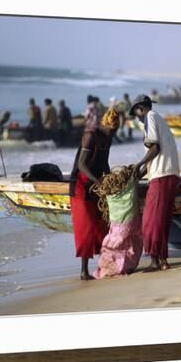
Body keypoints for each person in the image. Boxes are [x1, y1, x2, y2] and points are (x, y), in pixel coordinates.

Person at [129, 94, 180, 272]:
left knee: (150, 220)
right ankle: (162, 260)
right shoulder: (159, 119)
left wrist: (139, 164)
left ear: (141, 108)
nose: (137, 117)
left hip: (162, 176)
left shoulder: (150, 117)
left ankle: (155, 261)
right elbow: (157, 153)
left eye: (136, 113)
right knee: (162, 219)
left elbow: (155, 148)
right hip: (170, 173)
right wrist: (141, 172)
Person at [69, 108, 120, 280]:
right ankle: (83, 271)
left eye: (115, 131)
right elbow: (82, 164)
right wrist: (97, 181)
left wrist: (110, 180)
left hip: (96, 186)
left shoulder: (108, 138)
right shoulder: (90, 136)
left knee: (102, 225)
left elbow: (104, 162)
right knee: (87, 227)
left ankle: (104, 265)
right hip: (81, 186)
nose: (113, 133)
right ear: (105, 125)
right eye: (111, 130)